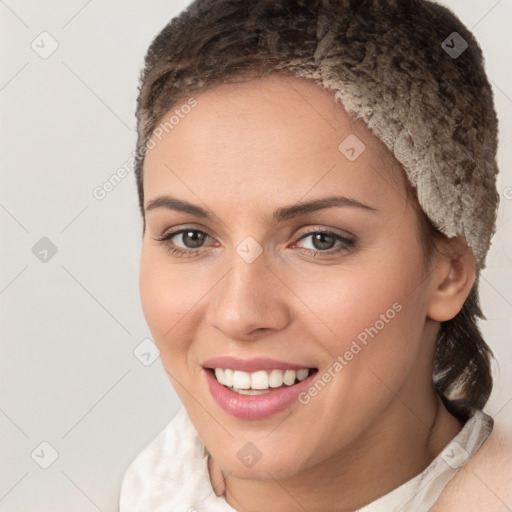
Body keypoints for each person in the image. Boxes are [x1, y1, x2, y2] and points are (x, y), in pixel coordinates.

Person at [119, 0, 512, 510]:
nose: (239, 313)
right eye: (191, 237)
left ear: (449, 273)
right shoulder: (139, 489)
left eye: (320, 240)